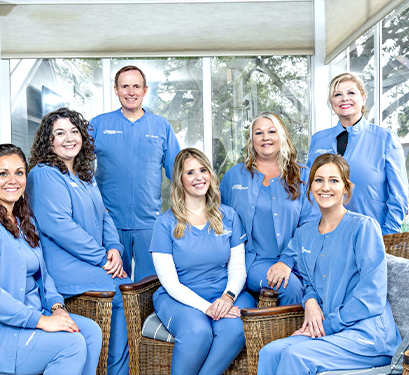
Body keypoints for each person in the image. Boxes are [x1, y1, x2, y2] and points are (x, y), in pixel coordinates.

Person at [0, 144, 101, 375]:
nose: (13, 180)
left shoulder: (24, 220)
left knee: (90, 332)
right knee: (71, 345)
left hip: (31, 317)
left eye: (19, 172)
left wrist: (57, 307)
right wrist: (42, 321)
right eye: (3, 173)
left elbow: (43, 274)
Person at [257, 153, 401, 375]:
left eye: (334, 180)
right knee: (269, 352)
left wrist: (327, 325)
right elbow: (308, 282)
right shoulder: (304, 233)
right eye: (319, 180)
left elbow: (372, 295)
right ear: (311, 188)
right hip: (329, 333)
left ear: (346, 188)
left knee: (297, 356)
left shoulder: (364, 228)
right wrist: (311, 302)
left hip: (367, 336)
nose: (326, 187)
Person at [26, 108, 130, 375]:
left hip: (94, 261)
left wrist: (115, 250)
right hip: (62, 268)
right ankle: (111, 370)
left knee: (128, 288)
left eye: (74, 131)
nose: (69, 138)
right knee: (122, 291)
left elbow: (104, 215)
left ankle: (117, 369)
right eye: (59, 133)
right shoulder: (43, 173)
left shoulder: (85, 174)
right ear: (48, 141)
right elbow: (59, 226)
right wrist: (102, 258)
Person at [150, 147, 256, 375]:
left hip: (226, 293)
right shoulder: (165, 223)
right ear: (180, 179)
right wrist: (206, 307)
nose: (198, 177)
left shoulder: (228, 216)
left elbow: (238, 268)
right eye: (190, 173)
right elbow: (169, 282)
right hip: (180, 297)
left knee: (234, 329)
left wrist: (227, 298)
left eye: (203, 170)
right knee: (198, 332)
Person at [90, 65, 181, 281]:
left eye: (136, 86)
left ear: (145, 90)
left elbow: (178, 175)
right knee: (112, 286)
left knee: (149, 286)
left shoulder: (161, 127)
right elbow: (77, 167)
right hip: (109, 222)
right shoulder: (98, 124)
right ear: (116, 90)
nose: (131, 92)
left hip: (149, 223)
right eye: (125, 86)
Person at [221, 112, 317, 305]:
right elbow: (219, 219)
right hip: (253, 262)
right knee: (289, 288)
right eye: (259, 133)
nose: (265, 137)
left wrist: (286, 261)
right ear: (251, 140)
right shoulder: (234, 177)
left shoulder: (303, 176)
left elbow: (311, 225)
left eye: (271, 131)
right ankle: (291, 336)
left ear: (281, 136)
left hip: (298, 259)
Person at [307, 72, 408, 235]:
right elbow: (310, 189)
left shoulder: (385, 138)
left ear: (363, 98)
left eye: (351, 93)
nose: (344, 98)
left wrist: (387, 235)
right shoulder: (318, 140)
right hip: (326, 234)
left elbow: (399, 196)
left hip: (371, 235)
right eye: (337, 94)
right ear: (332, 103)